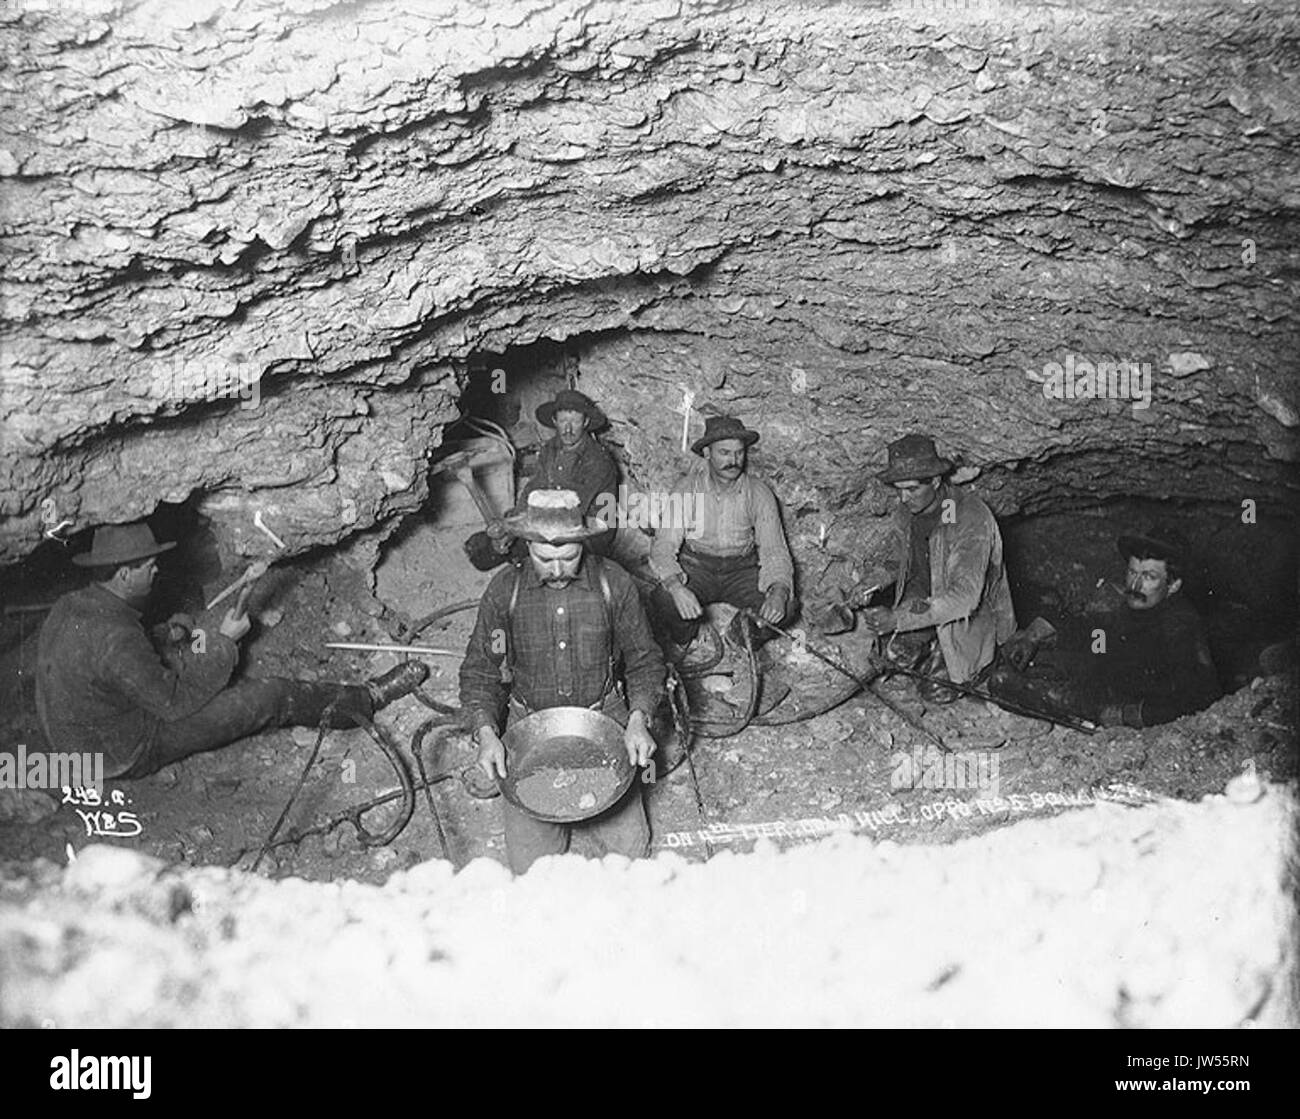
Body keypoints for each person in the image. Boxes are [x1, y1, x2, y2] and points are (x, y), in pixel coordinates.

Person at [36, 522, 428, 780]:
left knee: (181, 659)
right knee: (269, 695)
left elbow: (107, 660)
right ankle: (367, 698)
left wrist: (162, 634)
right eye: (148, 567)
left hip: (78, 741)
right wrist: (225, 642)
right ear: (124, 574)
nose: (156, 572)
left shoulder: (72, 606)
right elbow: (174, 703)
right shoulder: (116, 638)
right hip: (123, 753)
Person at [459, 489, 663, 874]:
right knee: (532, 872)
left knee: (631, 859)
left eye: (568, 557)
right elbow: (481, 671)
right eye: (544, 558)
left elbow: (645, 659)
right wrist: (486, 732)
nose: (556, 570)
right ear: (528, 545)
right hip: (530, 731)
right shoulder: (507, 591)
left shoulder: (613, 584)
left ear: (583, 545)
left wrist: (639, 718)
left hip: (605, 723)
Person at [989, 525, 1221, 727]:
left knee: (1006, 684)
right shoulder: (1133, 603)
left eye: (1149, 577)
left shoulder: (1181, 624)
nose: (1135, 584)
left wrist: (1126, 715)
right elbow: (1088, 625)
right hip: (1106, 675)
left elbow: (1200, 696)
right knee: (1028, 661)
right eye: (1132, 572)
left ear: (1173, 585)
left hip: (1123, 699)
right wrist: (1032, 636)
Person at [856, 433, 1016, 702]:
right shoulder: (906, 514)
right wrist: (871, 582)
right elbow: (898, 561)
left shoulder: (969, 515)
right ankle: (930, 645)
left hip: (970, 619)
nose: (904, 498)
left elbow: (964, 597)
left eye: (912, 489)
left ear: (936, 480)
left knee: (935, 691)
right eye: (899, 489)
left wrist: (898, 619)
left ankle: (985, 663)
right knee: (894, 657)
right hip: (923, 604)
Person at [647, 415, 795, 670]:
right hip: (697, 567)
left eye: (739, 453)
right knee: (664, 599)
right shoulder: (686, 489)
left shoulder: (759, 493)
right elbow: (663, 546)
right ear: (707, 452)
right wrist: (675, 586)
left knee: (788, 607)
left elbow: (774, 550)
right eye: (724, 453)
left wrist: (779, 591)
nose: (733, 461)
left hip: (742, 571)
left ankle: (741, 636)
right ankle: (688, 639)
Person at [464, 388, 618, 570]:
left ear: (585, 422)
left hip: (588, 530)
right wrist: (514, 519)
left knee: (514, 549)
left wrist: (517, 532)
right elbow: (536, 485)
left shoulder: (598, 459)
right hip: (554, 516)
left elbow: (573, 509)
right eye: (563, 421)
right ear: (554, 421)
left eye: (575, 421)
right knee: (480, 545)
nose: (568, 429)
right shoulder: (551, 447)